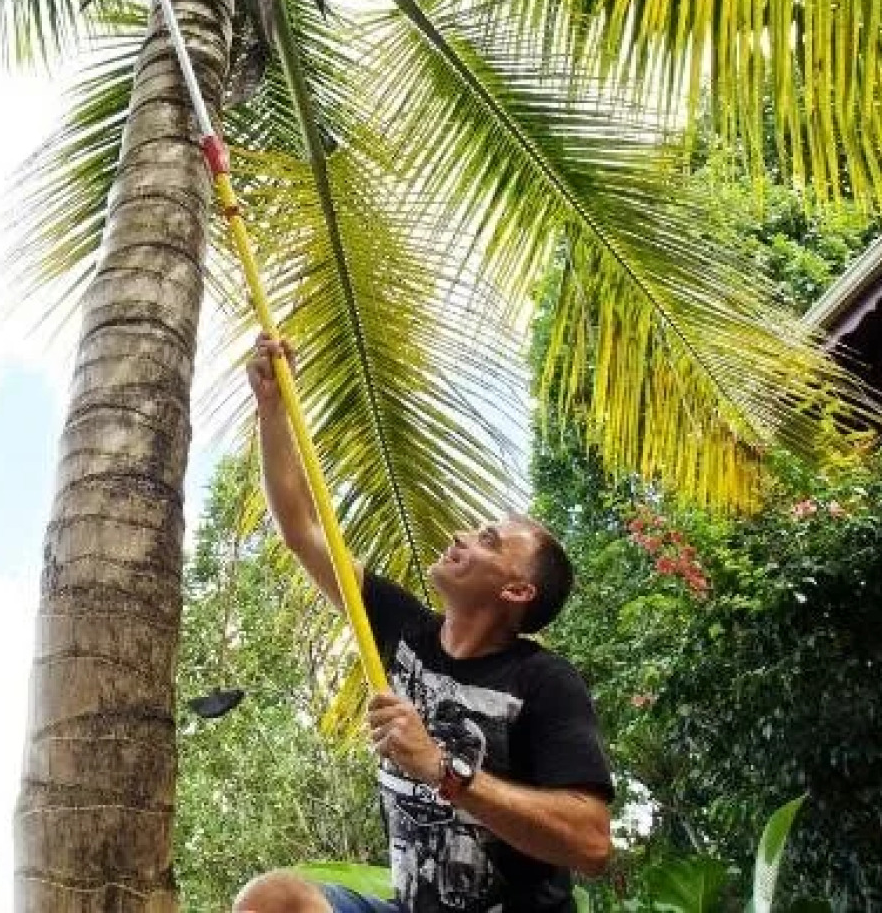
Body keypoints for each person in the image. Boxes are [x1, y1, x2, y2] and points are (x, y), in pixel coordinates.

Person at [233, 336, 614, 913]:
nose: (463, 535)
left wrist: (442, 767)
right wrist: (272, 408)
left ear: (516, 590)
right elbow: (303, 530)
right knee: (274, 901)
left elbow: (590, 843)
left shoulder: (544, 682)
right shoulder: (401, 628)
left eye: (488, 541)